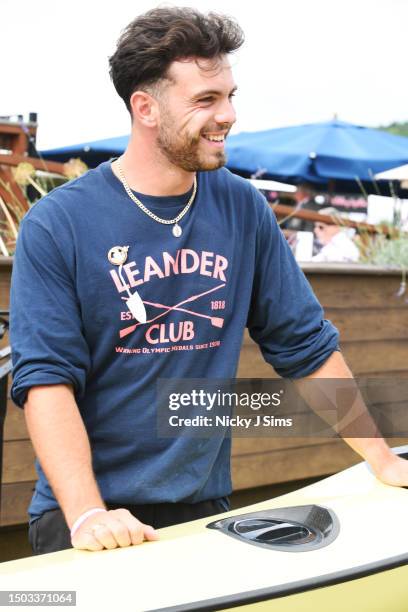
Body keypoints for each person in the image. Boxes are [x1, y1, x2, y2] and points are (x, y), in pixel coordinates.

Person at [9, 7, 408, 555]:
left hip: (205, 510)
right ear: (145, 108)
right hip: (85, 515)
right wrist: (87, 515)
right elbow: (47, 380)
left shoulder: (243, 208)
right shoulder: (57, 224)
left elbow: (305, 347)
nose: (229, 115)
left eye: (229, 95)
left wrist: (383, 460)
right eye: (206, 100)